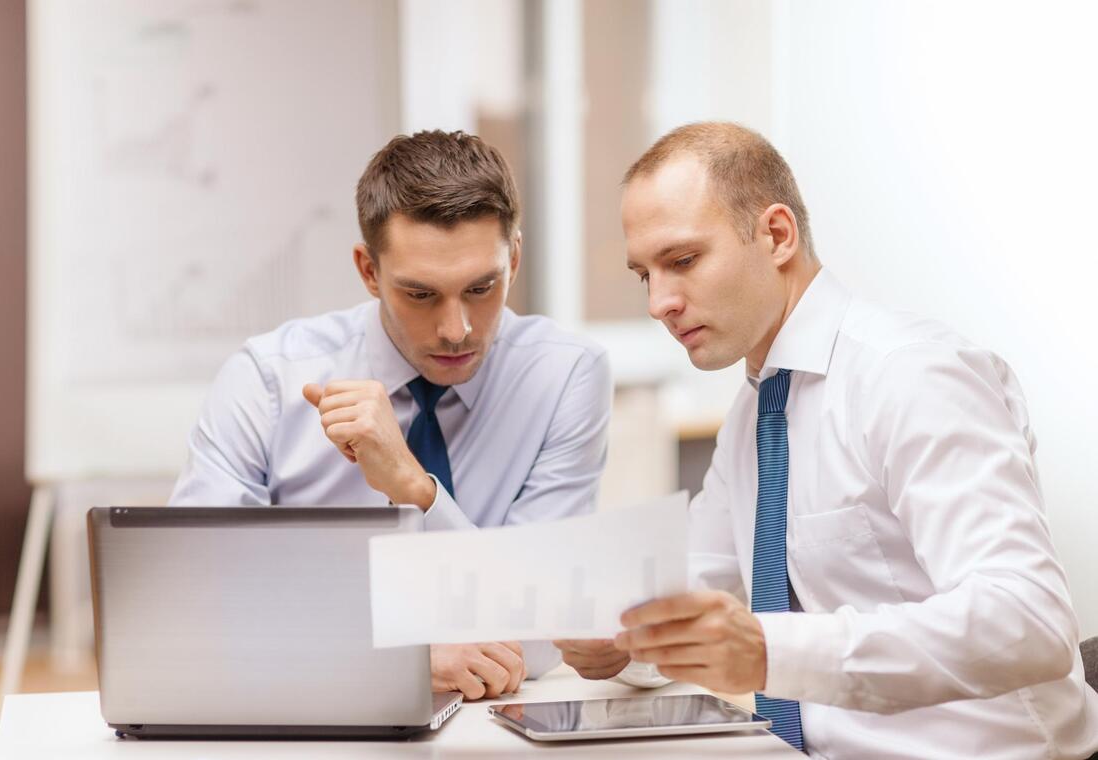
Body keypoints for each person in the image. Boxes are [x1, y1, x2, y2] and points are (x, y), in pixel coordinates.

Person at [556, 122, 1098, 758]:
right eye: (644, 274)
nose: (659, 303)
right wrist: (619, 638)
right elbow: (690, 586)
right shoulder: (757, 410)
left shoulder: (912, 374)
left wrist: (770, 650)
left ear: (777, 235)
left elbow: (1028, 621)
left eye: (682, 260)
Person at [170, 129, 612, 701]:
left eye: (482, 287)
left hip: (499, 730)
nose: (457, 329)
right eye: (421, 295)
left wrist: (414, 489)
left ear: (515, 259)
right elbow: (198, 605)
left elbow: (547, 627)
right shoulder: (267, 381)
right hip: (312, 722)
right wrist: (395, 658)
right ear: (368, 271)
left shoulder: (566, 376)